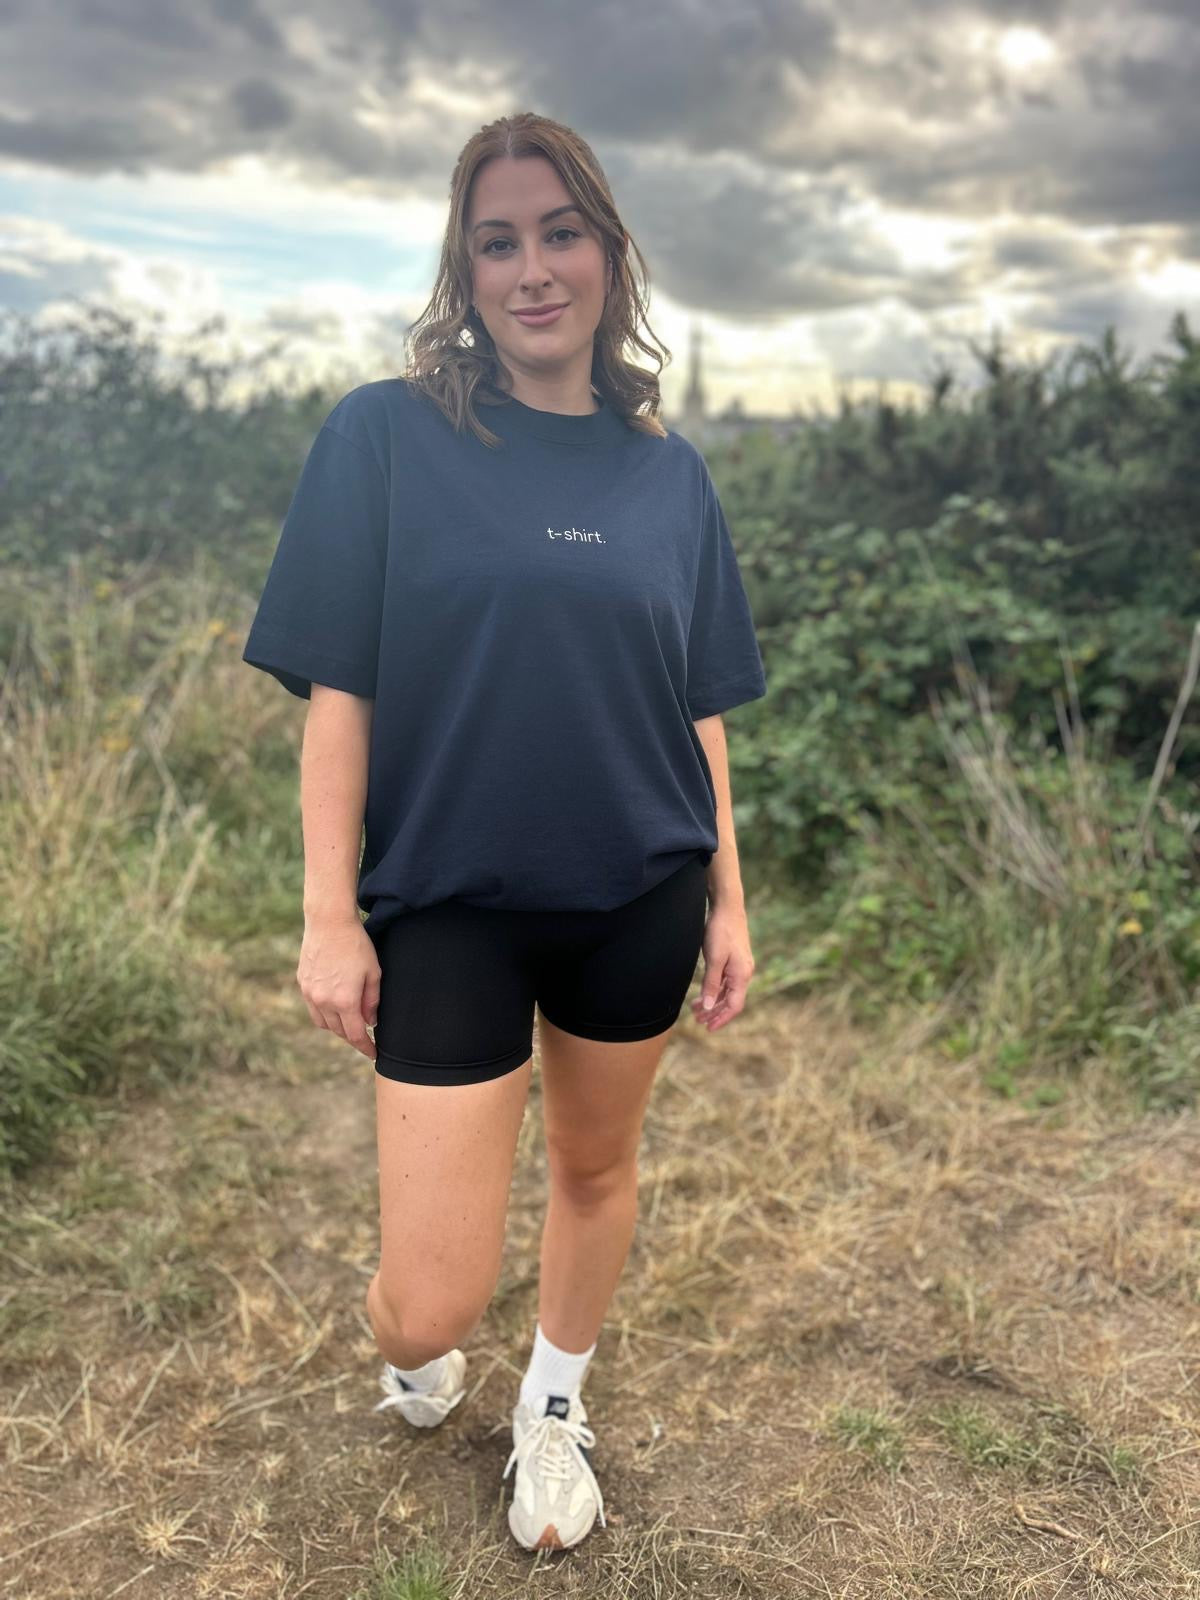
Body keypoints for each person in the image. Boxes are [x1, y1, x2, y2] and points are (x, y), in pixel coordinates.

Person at [241, 111, 767, 1553]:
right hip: (450, 897)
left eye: (559, 233)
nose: (533, 268)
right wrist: (329, 918)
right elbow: (339, 696)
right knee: (427, 1304)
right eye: (497, 241)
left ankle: (554, 1403)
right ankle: (429, 1354)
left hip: (636, 892)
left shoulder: (671, 474)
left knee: (595, 1169)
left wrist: (728, 898)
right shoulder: (385, 437)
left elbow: (697, 706)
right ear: (464, 272)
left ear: (608, 254)